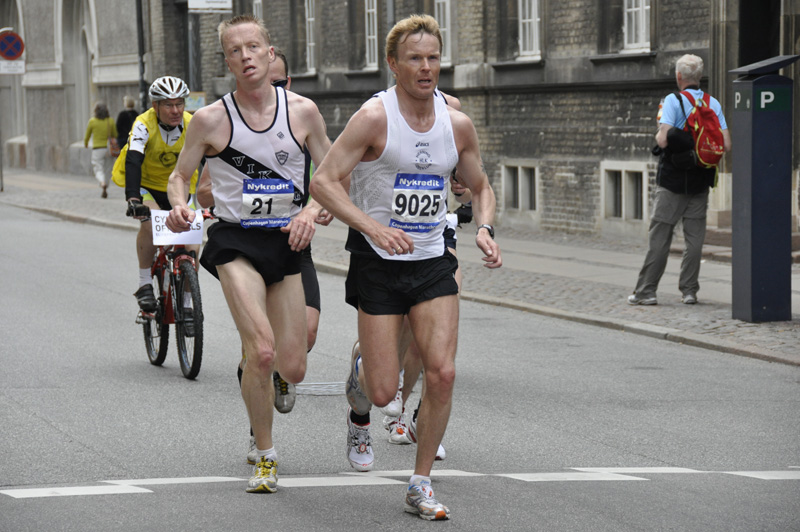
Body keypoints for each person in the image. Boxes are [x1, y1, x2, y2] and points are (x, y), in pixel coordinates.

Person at [310, 14, 502, 521]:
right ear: (393, 64)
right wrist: (372, 228)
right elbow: (323, 181)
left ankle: (420, 483)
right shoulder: (374, 118)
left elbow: (480, 185)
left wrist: (484, 227)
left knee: (442, 371)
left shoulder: (456, 123)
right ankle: (359, 389)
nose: (426, 67)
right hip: (377, 262)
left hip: (432, 258)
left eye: (433, 57)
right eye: (414, 58)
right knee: (381, 390)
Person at [165, 15, 331, 494]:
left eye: (253, 46)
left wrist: (312, 210)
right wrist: (179, 206)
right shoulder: (210, 119)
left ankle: (269, 376)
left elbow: (332, 174)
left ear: (269, 52)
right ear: (227, 61)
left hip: (287, 240)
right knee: (261, 350)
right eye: (235, 50)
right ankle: (265, 453)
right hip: (235, 239)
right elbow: (180, 176)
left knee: (292, 365)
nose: (246, 56)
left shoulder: (302, 112)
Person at [628, 54, 731, 306]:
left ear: (678, 76)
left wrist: (664, 133)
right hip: (700, 179)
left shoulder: (672, 101)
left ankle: (646, 291)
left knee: (660, 235)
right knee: (694, 239)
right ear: (699, 77)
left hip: (672, 181)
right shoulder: (712, 103)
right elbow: (726, 144)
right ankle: (689, 291)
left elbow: (663, 140)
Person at [111, 76, 199, 313]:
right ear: (155, 106)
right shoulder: (143, 124)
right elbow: (133, 160)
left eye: (179, 104)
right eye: (168, 105)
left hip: (179, 188)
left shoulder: (192, 124)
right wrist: (133, 199)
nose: (175, 110)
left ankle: (188, 303)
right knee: (151, 224)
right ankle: (144, 284)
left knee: (192, 244)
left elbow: (209, 158)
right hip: (147, 186)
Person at [83, 102, 118, 198]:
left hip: (97, 149)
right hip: (108, 148)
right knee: (108, 169)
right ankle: (106, 184)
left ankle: (102, 182)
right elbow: (115, 134)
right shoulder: (110, 121)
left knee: (98, 168)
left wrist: (86, 143)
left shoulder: (92, 121)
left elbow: (87, 135)